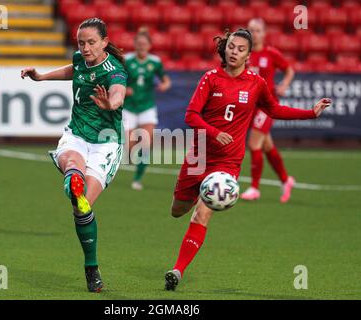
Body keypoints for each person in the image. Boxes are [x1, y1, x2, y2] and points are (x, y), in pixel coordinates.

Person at [164, 28, 331, 291]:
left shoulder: (256, 83)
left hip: (228, 161)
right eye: (231, 47)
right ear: (226, 48)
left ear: (248, 55)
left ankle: (177, 271)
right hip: (200, 155)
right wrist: (215, 132)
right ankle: (199, 192)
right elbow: (191, 115)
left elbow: (274, 109)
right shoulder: (210, 78)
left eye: (241, 49)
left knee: (202, 213)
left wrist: (311, 112)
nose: (234, 52)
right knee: (178, 211)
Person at [21, 18, 127, 293]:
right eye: (81, 42)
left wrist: (111, 103)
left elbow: (118, 93)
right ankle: (73, 177)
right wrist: (42, 77)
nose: (86, 47)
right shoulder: (80, 58)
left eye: (92, 42)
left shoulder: (114, 70)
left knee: (82, 207)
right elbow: (74, 70)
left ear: (104, 42)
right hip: (76, 136)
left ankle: (91, 266)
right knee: (71, 162)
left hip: (106, 145)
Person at [241, 18, 296, 203]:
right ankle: (285, 180)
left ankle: (255, 188)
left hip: (267, 105)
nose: (254, 33)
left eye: (257, 30)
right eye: (251, 30)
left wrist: (285, 84)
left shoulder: (271, 53)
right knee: (267, 146)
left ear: (264, 33)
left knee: (254, 144)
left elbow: (289, 69)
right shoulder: (245, 54)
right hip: (250, 105)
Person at [123, 27, 171, 190]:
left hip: (147, 107)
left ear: (149, 45)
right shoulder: (126, 60)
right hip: (129, 107)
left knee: (146, 142)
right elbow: (115, 79)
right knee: (128, 146)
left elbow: (165, 80)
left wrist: (164, 85)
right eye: (139, 43)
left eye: (144, 43)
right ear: (135, 44)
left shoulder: (155, 62)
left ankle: (137, 179)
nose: (141, 46)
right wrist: (124, 88)